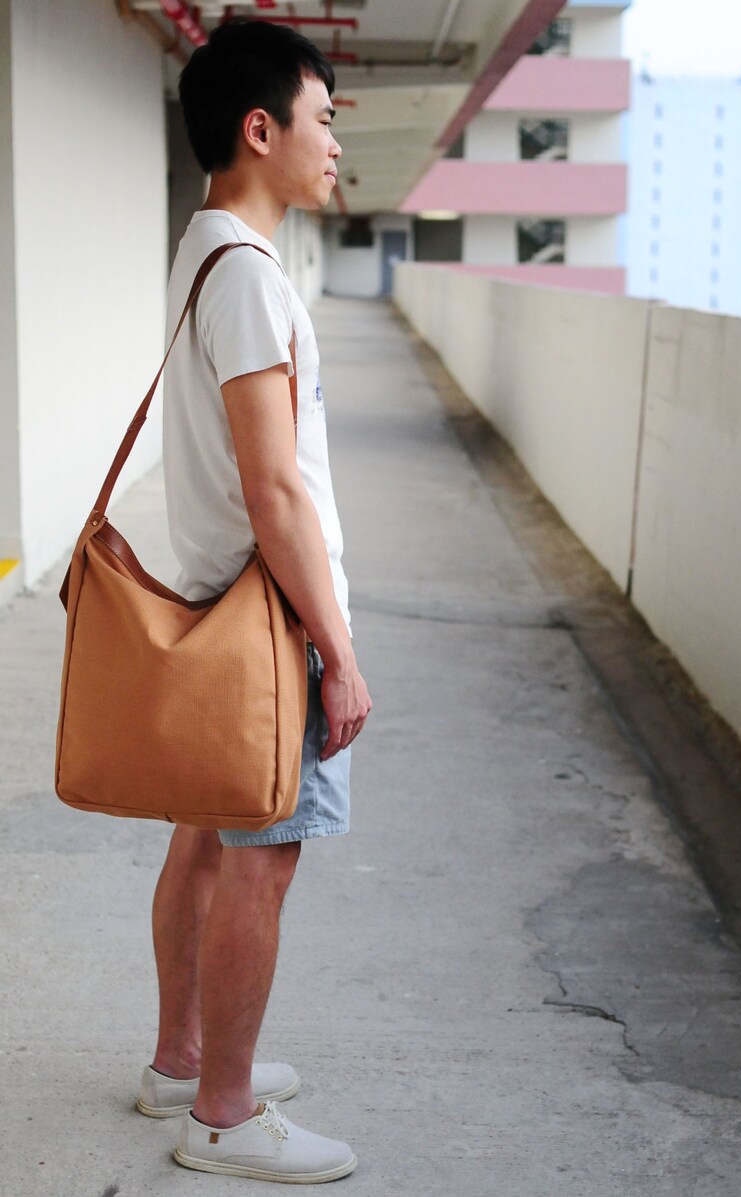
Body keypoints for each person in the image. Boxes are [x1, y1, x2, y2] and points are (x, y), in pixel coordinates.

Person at [133, 18, 371, 1185]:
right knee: (261, 861)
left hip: (220, 604)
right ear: (259, 127)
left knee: (205, 837)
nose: (333, 144)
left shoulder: (209, 255)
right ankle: (220, 1113)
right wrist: (339, 649)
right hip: (265, 621)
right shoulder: (245, 274)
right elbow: (275, 489)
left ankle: (183, 1061)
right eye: (321, 121)